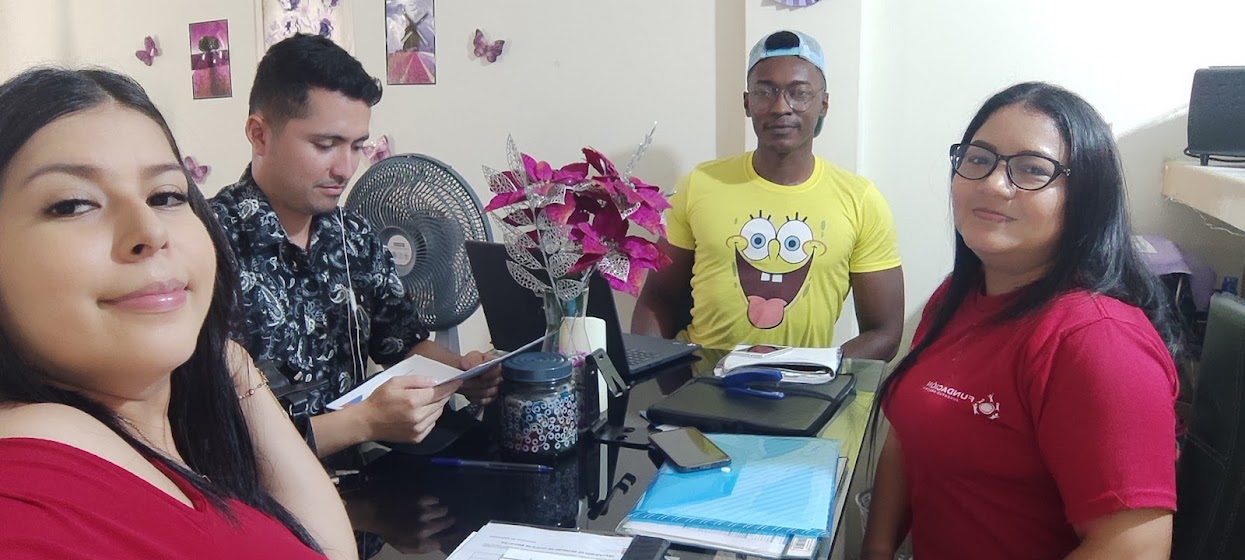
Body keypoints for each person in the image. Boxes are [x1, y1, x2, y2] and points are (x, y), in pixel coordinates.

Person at [0, 67, 357, 559]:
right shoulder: (28, 492)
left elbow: (326, 551)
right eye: (73, 205)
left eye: (166, 196)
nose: (150, 229)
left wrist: (228, 358)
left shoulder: (174, 434)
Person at [862, 82, 1184, 560]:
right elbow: (909, 432)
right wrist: (876, 549)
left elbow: (1134, 550)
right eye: (978, 159)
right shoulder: (954, 297)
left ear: (1085, 195)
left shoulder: (1099, 344)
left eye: (1032, 168)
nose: (994, 183)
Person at [210, 34, 499, 458]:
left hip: (361, 482)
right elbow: (210, 439)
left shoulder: (354, 236)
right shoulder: (204, 246)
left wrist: (461, 373)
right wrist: (364, 422)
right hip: (256, 491)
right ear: (259, 135)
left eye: (357, 146)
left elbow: (402, 343)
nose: (346, 169)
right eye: (325, 145)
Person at [632, 30, 904, 360]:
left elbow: (885, 333)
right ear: (747, 103)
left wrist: (815, 372)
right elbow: (658, 298)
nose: (780, 107)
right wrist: (659, 377)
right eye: (764, 92)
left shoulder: (861, 200)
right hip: (702, 385)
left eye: (799, 93)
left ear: (824, 104)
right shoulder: (700, 184)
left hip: (805, 388)